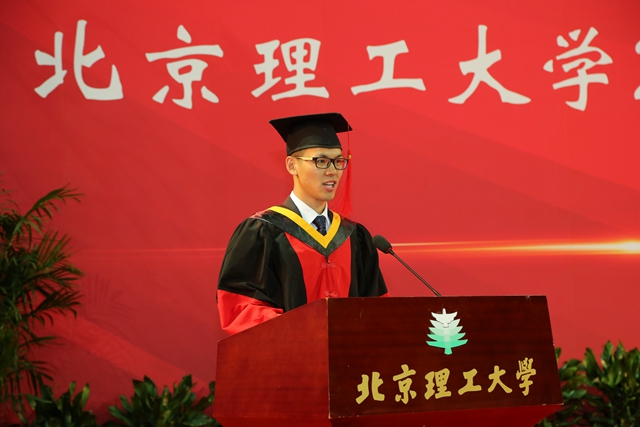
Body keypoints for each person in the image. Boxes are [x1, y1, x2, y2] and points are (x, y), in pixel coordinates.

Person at [216, 112, 388, 335]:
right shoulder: (263, 231)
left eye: (338, 161)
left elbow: (376, 309)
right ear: (292, 165)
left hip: (347, 355)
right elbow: (240, 307)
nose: (332, 171)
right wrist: (302, 332)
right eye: (321, 161)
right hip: (288, 353)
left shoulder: (356, 237)